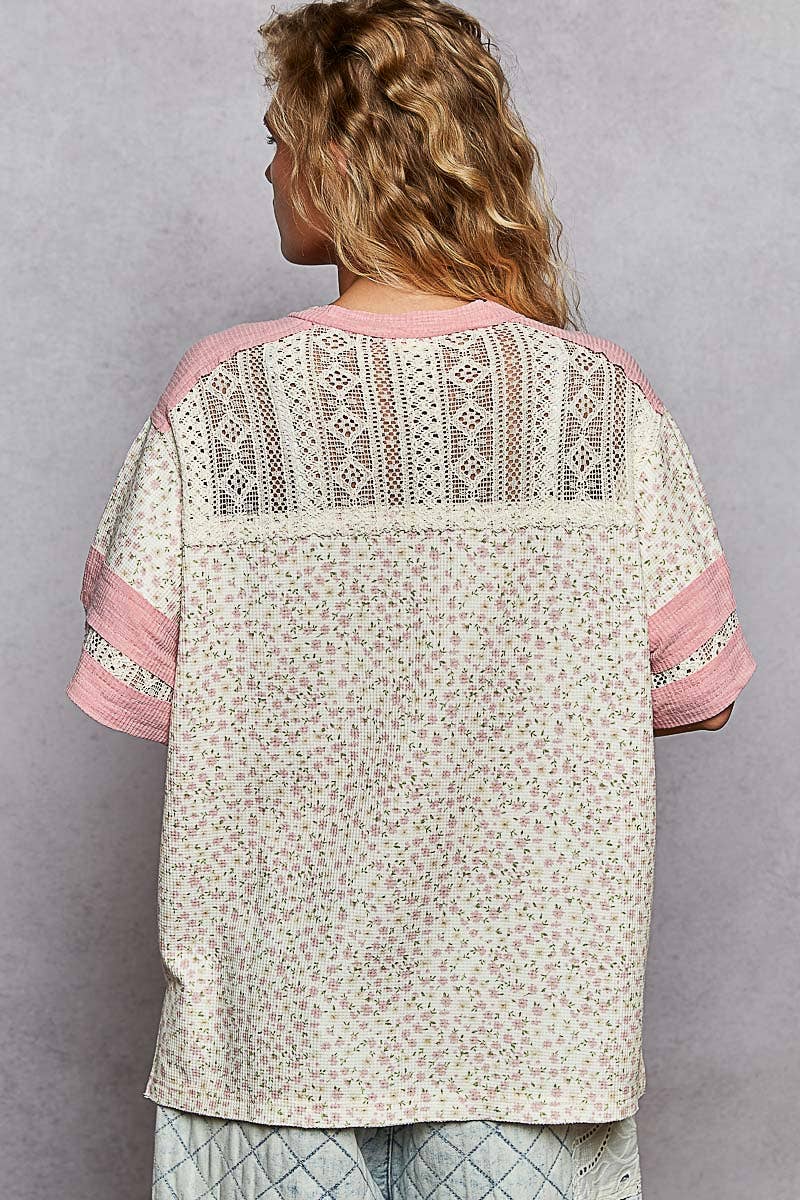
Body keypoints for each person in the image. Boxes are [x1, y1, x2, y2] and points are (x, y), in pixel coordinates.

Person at [65, 1, 757, 1197]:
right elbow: (700, 690)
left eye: (278, 137)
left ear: (338, 158)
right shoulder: (602, 403)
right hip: (532, 1039)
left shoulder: (220, 399)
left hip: (276, 1042)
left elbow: (140, 685)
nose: (266, 167)